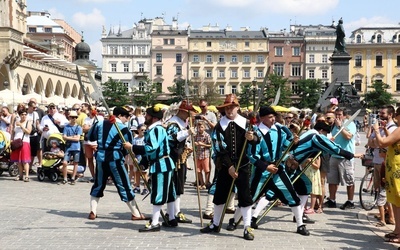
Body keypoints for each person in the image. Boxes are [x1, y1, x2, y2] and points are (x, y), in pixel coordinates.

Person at [246, 105, 310, 236]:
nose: (273, 119)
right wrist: (265, 166)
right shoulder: (256, 133)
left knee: (292, 195)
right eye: (270, 117)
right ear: (262, 118)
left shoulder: (280, 130)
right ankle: (236, 221)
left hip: (277, 168)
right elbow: (251, 155)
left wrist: (295, 142)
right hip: (262, 170)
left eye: (274, 116)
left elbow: (287, 146)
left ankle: (300, 225)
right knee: (249, 197)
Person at [200, 94, 255, 240]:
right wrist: (229, 166)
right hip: (225, 166)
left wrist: (252, 138)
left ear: (237, 107)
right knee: (219, 196)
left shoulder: (247, 123)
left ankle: (246, 227)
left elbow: (257, 141)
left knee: (245, 196)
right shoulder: (219, 126)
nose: (230, 110)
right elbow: (219, 148)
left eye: (232, 107)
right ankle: (215, 223)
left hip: (243, 165)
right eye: (227, 107)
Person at [87, 106, 146, 222]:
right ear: (120, 116)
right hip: (115, 159)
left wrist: (95, 125)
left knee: (98, 184)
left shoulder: (100, 124)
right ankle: (136, 213)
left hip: (100, 158)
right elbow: (127, 146)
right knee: (124, 184)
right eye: (126, 117)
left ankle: (93, 211)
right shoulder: (123, 128)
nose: (127, 120)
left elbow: (90, 136)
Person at [124, 105, 177, 232]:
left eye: (147, 115)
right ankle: (171, 218)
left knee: (158, 193)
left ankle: (155, 223)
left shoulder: (156, 130)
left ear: (153, 117)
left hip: (161, 164)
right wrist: (144, 162)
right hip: (163, 163)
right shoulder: (155, 129)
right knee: (169, 192)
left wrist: (132, 147)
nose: (145, 117)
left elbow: (151, 148)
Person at [165, 100, 197, 224]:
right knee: (173, 185)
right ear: (183, 112)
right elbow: (170, 138)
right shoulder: (173, 123)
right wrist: (186, 133)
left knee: (179, 186)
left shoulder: (183, 123)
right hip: (173, 158)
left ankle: (176, 212)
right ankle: (171, 213)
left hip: (180, 157)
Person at [373, 107, 400, 243]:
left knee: (398, 200)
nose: (395, 117)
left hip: (397, 169)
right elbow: (392, 140)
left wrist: (377, 131)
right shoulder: (397, 129)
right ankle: (397, 230)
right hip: (393, 167)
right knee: (395, 200)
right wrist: (384, 130)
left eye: (397, 115)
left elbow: (384, 142)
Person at [368, 106, 396, 227]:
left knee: (386, 191)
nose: (380, 115)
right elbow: (371, 143)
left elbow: (382, 143)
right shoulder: (378, 127)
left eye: (383, 113)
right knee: (379, 189)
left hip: (385, 162)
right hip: (377, 160)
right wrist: (376, 137)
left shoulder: (393, 128)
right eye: (379, 112)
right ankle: (385, 214)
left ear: (390, 115)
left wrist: (378, 139)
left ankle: (390, 217)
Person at [325, 108, 357, 209]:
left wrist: (340, 127)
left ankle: (350, 201)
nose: (337, 117)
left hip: (346, 157)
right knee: (332, 180)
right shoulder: (333, 125)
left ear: (344, 115)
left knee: (349, 180)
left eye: (339, 115)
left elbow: (348, 137)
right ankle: (332, 200)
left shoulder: (350, 124)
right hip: (334, 155)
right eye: (336, 115)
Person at [60, 110, 82, 185]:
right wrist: (73, 137)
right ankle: (65, 178)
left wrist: (68, 137)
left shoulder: (79, 127)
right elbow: (64, 137)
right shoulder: (66, 127)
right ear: (69, 118)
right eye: (72, 117)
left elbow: (78, 138)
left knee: (75, 163)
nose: (74, 119)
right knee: (65, 162)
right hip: (68, 147)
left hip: (76, 147)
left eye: (75, 117)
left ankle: (73, 177)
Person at [11, 108, 32, 182]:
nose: (24, 116)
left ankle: (26, 175)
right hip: (17, 142)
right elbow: (13, 132)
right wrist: (12, 139)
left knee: (25, 160)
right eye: (22, 114)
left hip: (24, 142)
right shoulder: (16, 122)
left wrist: (21, 126)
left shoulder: (28, 122)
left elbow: (28, 132)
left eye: (25, 114)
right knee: (18, 161)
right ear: (19, 115)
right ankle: (20, 175)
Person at [130, 124, 149, 195]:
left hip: (144, 158)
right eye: (142, 130)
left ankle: (145, 187)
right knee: (137, 172)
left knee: (144, 173)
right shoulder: (135, 139)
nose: (143, 131)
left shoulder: (146, 139)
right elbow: (132, 149)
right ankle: (137, 187)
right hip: (137, 158)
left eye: (145, 130)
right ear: (138, 130)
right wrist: (134, 157)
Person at [194, 121, 211, 189]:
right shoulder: (196, 135)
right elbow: (193, 142)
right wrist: (195, 144)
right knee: (198, 170)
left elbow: (210, 145)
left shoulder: (207, 135)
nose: (200, 128)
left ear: (204, 128)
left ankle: (206, 183)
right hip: (198, 154)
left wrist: (203, 144)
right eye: (199, 127)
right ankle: (202, 183)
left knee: (206, 170)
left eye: (201, 127)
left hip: (205, 154)